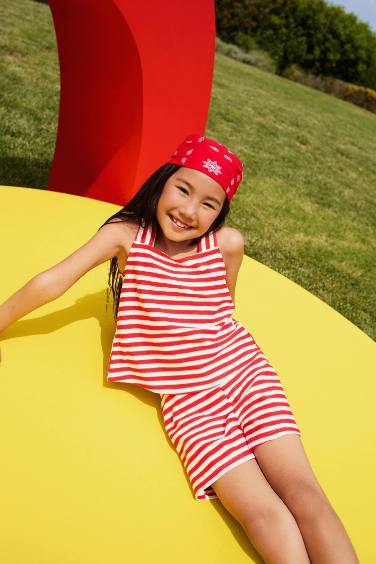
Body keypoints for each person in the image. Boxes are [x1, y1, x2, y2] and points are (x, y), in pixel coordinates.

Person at [0, 133, 359, 563]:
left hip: (244, 373)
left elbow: (222, 305)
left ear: (220, 213)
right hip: (189, 402)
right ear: (162, 181)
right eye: (183, 189)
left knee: (302, 491)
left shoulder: (227, 245)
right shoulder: (127, 237)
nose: (189, 210)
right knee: (260, 513)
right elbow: (54, 281)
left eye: (208, 203)